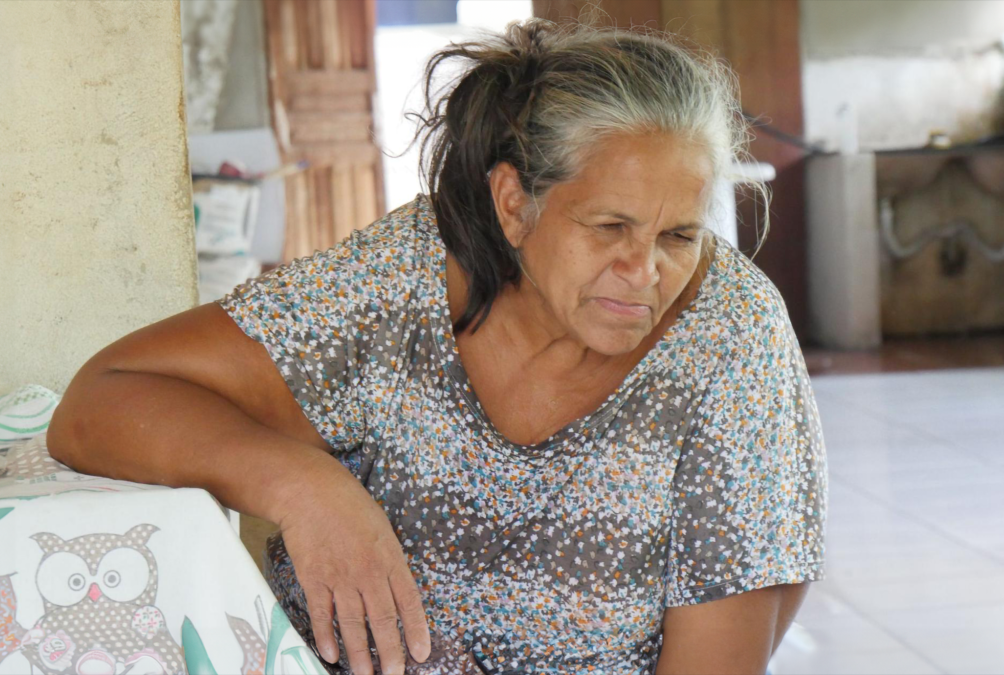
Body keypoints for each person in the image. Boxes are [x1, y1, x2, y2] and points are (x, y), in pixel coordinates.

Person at [47, 18, 827, 675]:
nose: (644, 272)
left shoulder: (730, 339)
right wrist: (306, 486)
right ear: (514, 203)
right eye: (609, 227)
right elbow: (104, 398)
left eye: (679, 236)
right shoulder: (406, 275)